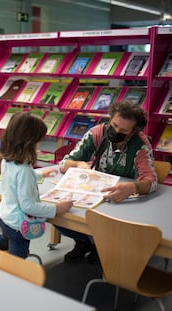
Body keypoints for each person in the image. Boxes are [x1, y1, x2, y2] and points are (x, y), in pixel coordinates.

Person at [58, 100, 157, 264]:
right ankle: (85, 242)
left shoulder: (141, 145)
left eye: (124, 130)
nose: (117, 131)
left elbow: (151, 181)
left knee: (112, 223)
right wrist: (78, 164)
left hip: (122, 201)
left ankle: (101, 246)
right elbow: (63, 164)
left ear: (134, 131)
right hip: (95, 194)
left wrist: (133, 187)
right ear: (110, 119)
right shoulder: (97, 133)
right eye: (115, 125)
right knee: (58, 213)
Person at [0, 111, 73, 258]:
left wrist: (39, 175)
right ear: (29, 142)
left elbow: (16, 180)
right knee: (17, 263)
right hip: (19, 225)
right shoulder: (24, 170)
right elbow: (28, 206)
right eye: (38, 141)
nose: (39, 145)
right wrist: (56, 208)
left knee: (5, 239)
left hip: (6, 216)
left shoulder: (8, 160)